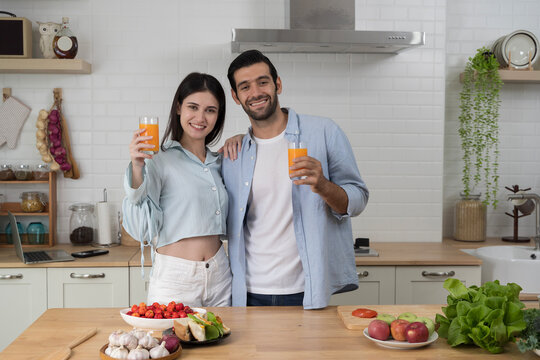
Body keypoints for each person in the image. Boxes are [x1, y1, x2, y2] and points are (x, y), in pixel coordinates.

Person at [222, 50, 369, 309]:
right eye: (245, 87)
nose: (255, 92)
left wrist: (323, 185)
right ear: (236, 96)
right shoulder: (234, 154)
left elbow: (358, 200)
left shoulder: (324, 132)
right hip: (248, 293)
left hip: (307, 290)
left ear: (278, 83)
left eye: (263, 82)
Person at [122, 72, 232, 307]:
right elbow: (139, 228)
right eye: (193, 107)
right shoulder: (158, 160)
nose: (200, 117)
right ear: (179, 107)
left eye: (210, 110)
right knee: (170, 343)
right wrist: (137, 166)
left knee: (224, 343)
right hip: (176, 278)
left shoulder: (221, 162)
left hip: (220, 274)